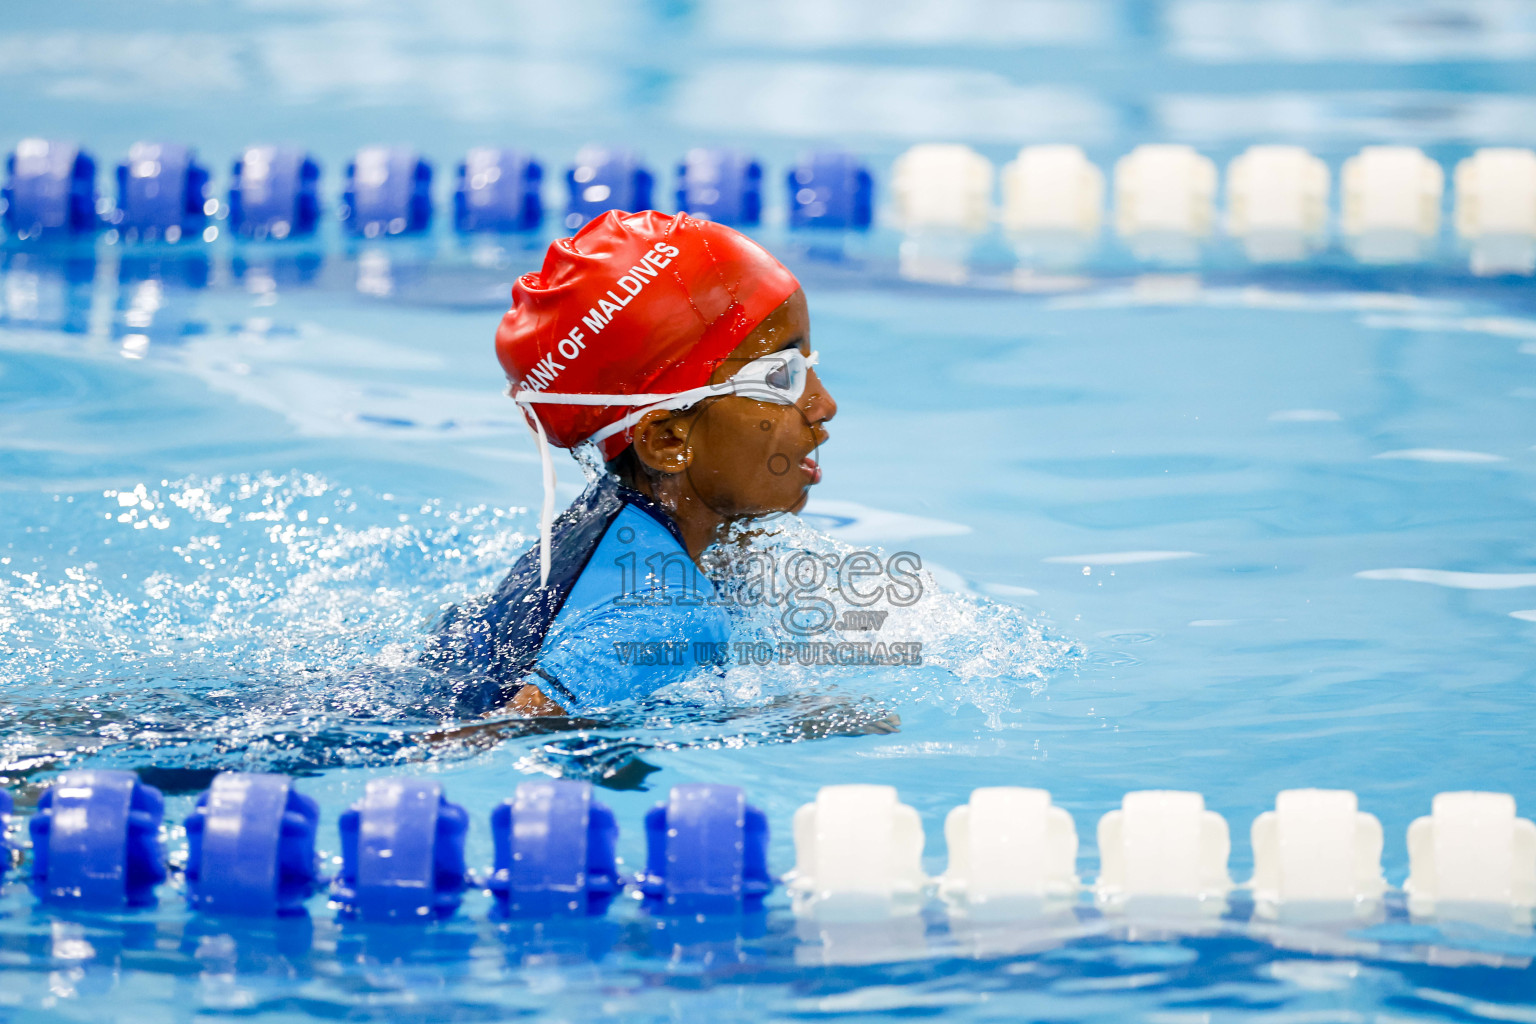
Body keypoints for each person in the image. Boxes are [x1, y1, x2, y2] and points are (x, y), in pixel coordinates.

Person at [425, 210, 837, 718]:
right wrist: (783, 720)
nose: (824, 405)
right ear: (667, 440)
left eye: (809, 366)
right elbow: (500, 730)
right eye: (779, 377)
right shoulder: (672, 619)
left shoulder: (611, 521)